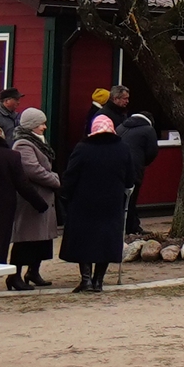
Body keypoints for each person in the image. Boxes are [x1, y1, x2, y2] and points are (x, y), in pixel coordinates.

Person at [60, 114, 136, 292]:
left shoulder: (83, 147)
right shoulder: (123, 148)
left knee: (84, 239)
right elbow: (130, 178)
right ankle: (98, 281)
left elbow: (71, 174)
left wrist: (65, 194)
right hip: (111, 202)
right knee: (106, 240)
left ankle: (86, 280)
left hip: (83, 202)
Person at [0, 124, 49, 265]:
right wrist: (40, 203)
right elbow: (22, 184)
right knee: (0, 241)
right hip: (4, 207)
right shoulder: (11, 156)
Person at [9, 107, 62, 289]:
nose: (44, 127)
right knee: (26, 239)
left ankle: (33, 271)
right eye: (41, 123)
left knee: (41, 238)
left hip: (43, 196)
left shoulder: (37, 142)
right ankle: (14, 275)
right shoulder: (23, 144)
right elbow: (32, 169)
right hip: (31, 199)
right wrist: (54, 179)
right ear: (32, 125)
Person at [117, 98, 160, 233]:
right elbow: (152, 151)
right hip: (135, 169)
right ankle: (131, 227)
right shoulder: (148, 130)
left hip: (117, 168)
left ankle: (124, 225)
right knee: (132, 199)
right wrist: (142, 163)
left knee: (121, 199)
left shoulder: (121, 126)